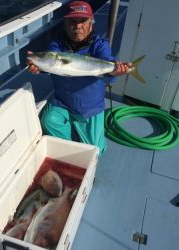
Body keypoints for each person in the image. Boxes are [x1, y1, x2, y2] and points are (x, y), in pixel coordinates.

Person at [27, 1, 131, 156]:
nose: (78, 26)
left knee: (94, 151)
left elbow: (106, 63)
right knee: (48, 121)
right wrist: (38, 65)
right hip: (62, 102)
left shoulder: (99, 45)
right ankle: (68, 146)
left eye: (83, 21)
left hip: (89, 107)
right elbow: (51, 64)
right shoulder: (56, 45)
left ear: (91, 23)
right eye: (72, 22)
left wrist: (114, 71)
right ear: (65, 24)